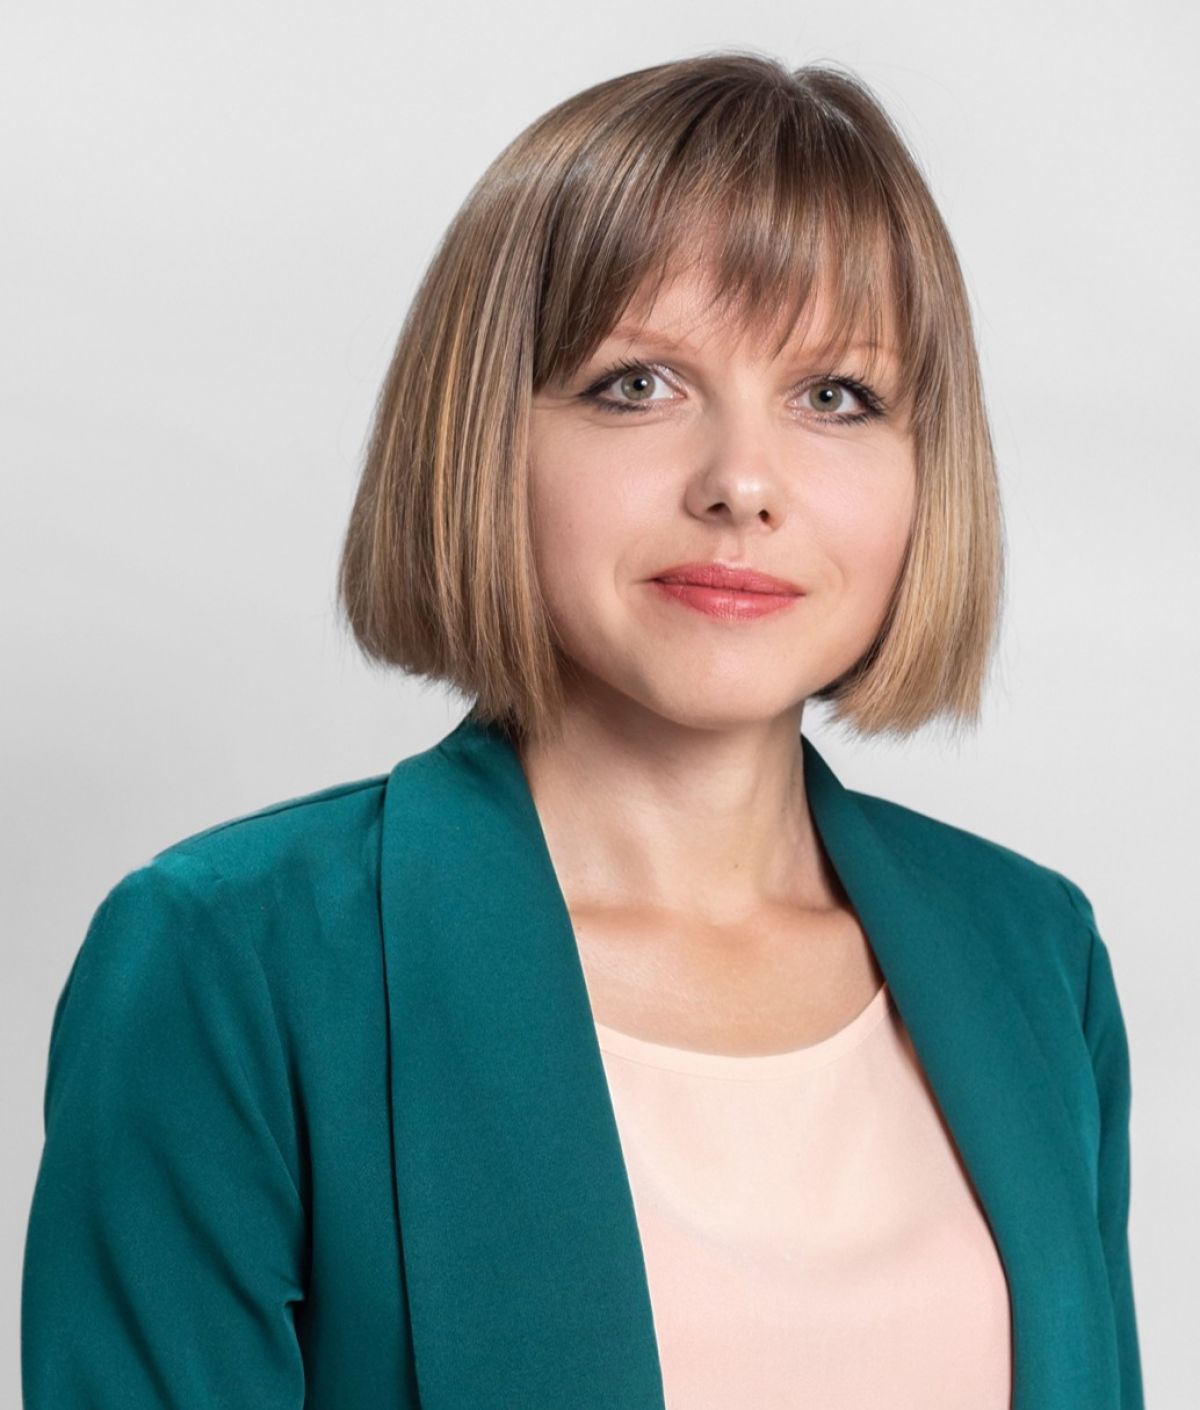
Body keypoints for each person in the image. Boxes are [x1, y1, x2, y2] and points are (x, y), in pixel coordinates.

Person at [21, 51, 1144, 1410]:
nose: (742, 483)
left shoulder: (1035, 957)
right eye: (637, 383)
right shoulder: (232, 962)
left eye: (836, 396)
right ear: (485, 434)